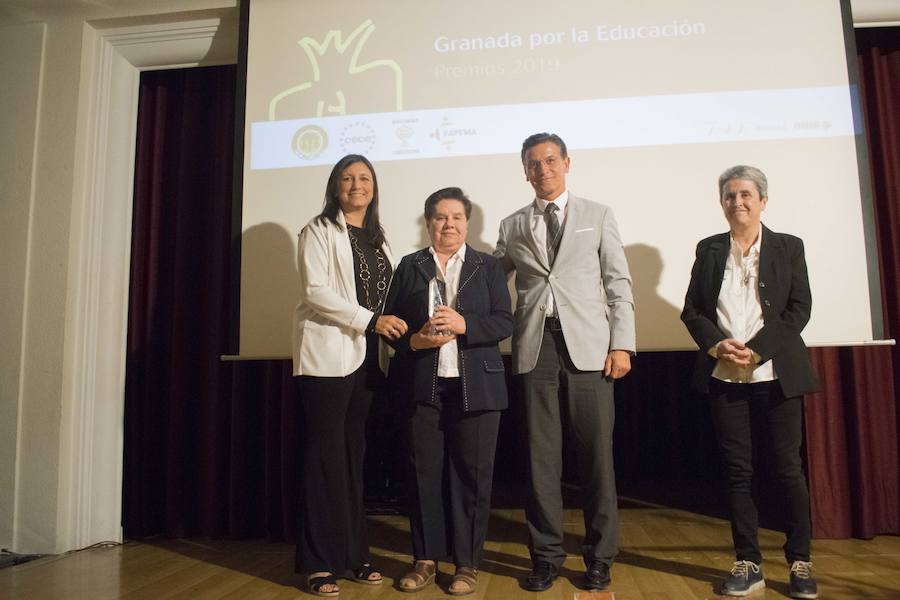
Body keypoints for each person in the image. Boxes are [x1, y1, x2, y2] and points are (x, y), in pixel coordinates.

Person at [494, 133, 635, 592]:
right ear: (525, 171)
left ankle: (599, 557)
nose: (543, 169)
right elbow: (491, 282)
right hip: (536, 348)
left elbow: (618, 282)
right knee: (541, 459)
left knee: (596, 458)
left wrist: (622, 345)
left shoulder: (598, 215)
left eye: (551, 160)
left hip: (591, 349)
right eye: (534, 163)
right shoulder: (512, 224)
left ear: (567, 163)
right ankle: (547, 556)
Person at [681, 165, 819, 599]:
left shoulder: (787, 247)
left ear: (762, 201)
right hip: (725, 375)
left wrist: (758, 350)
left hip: (775, 374)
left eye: (745, 195)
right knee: (737, 472)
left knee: (787, 470)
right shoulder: (708, 249)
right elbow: (693, 311)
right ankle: (748, 562)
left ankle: (799, 561)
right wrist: (718, 346)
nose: (736, 202)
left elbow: (799, 309)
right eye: (729, 196)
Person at [382, 187, 512, 596]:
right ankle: (424, 559)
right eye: (440, 217)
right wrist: (414, 342)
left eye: (456, 217)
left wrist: (465, 325)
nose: (448, 224)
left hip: (477, 385)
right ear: (428, 223)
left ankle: (467, 563)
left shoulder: (486, 266)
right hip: (423, 383)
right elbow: (392, 329)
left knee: (472, 478)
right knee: (423, 475)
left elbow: (504, 322)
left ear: (467, 223)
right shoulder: (410, 266)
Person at [292, 154, 408, 597]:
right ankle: (319, 562)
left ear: (374, 187)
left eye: (364, 178)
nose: (356, 185)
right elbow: (314, 291)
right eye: (347, 178)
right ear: (335, 186)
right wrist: (371, 321)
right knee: (324, 460)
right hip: (326, 359)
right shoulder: (317, 231)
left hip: (367, 360)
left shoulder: (379, 238)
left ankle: (356, 554)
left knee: (352, 460)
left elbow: (388, 295)